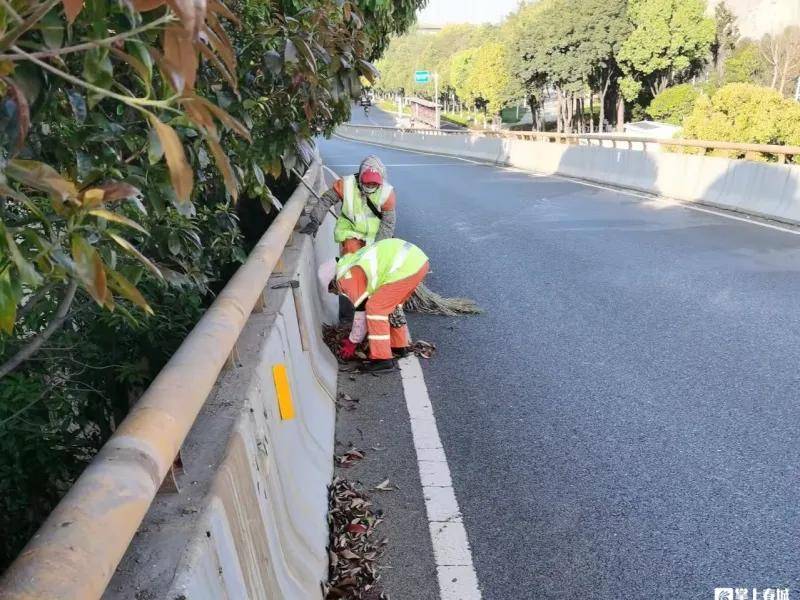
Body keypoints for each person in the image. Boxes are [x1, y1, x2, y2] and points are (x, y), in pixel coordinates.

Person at [318, 239, 429, 372]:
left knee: (375, 308)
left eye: (332, 290)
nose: (337, 293)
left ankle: (382, 360)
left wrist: (352, 342)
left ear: (333, 281)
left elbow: (362, 314)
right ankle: (399, 345)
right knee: (389, 305)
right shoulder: (350, 263)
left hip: (406, 267)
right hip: (415, 262)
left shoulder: (346, 278)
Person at [300, 155, 396, 255]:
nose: (370, 187)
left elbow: (388, 223)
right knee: (351, 258)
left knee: (374, 263)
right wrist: (316, 220)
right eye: (367, 184)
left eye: (373, 184)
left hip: (374, 236)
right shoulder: (346, 185)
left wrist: (378, 246)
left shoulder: (386, 193)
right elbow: (328, 198)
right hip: (350, 232)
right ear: (360, 178)